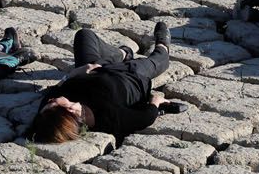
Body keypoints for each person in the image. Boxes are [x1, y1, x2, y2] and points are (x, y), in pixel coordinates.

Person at [27, 26, 176, 144]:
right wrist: (155, 102)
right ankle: (162, 45)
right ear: (70, 111)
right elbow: (146, 117)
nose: (49, 101)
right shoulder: (109, 118)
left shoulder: (48, 113)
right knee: (160, 60)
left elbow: (54, 91)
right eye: (52, 104)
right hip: (132, 75)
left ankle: (121, 54)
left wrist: (74, 74)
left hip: (94, 68)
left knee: (84, 35)